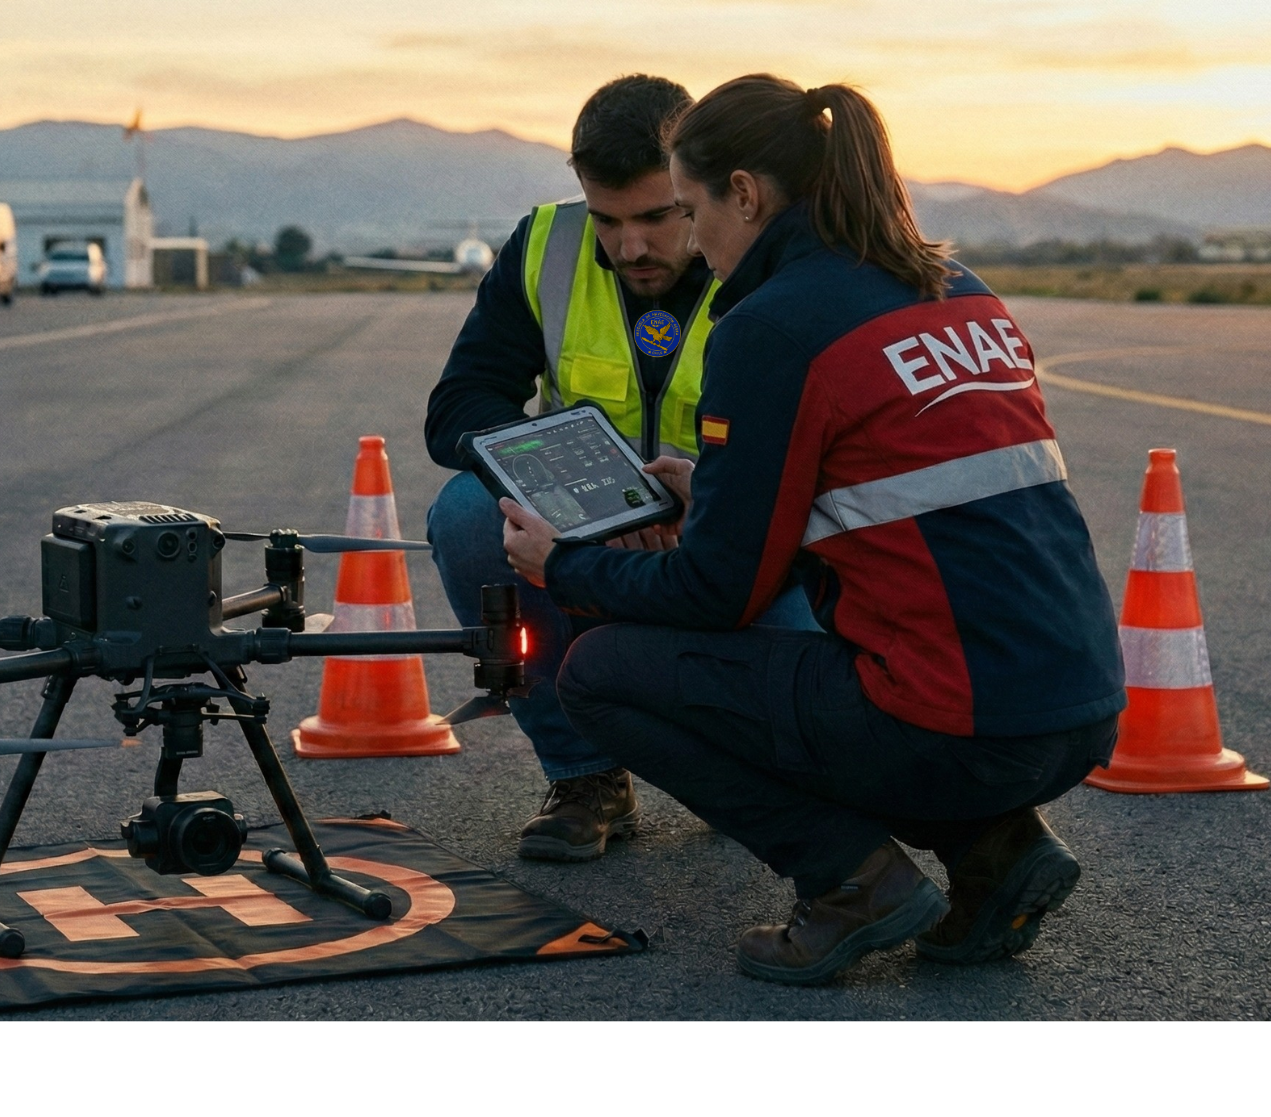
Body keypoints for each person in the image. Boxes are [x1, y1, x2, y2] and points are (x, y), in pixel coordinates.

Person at [501, 74, 1126, 985]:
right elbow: (890, 489)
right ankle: (996, 853)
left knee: (601, 674)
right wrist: (714, 485)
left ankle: (851, 882)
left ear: (744, 194)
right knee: (872, 667)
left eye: (687, 207)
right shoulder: (956, 287)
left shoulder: (768, 326)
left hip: (960, 725)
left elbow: (717, 592)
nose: (685, 236)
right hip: (1079, 707)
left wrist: (564, 566)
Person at [424, 74, 819, 865]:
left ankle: (750, 766)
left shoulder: (773, 258)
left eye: (656, 216)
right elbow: (459, 407)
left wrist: (700, 502)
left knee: (813, 673)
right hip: (590, 526)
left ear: (701, 190)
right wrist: (588, 492)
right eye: (607, 219)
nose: (629, 245)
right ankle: (586, 775)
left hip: (734, 525)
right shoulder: (546, 245)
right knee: (467, 514)